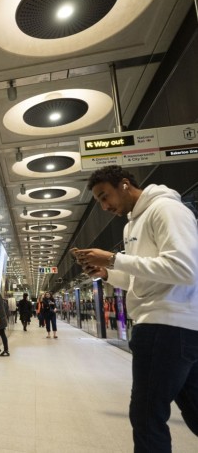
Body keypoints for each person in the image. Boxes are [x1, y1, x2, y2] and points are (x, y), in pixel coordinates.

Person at [74, 165, 198, 452]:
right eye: (99, 201)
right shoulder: (132, 224)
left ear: (125, 185)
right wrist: (106, 273)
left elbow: (185, 269)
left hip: (165, 324)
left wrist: (114, 259)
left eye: (105, 196)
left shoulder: (166, 209)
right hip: (167, 326)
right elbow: (138, 280)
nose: (105, 206)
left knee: (146, 415)